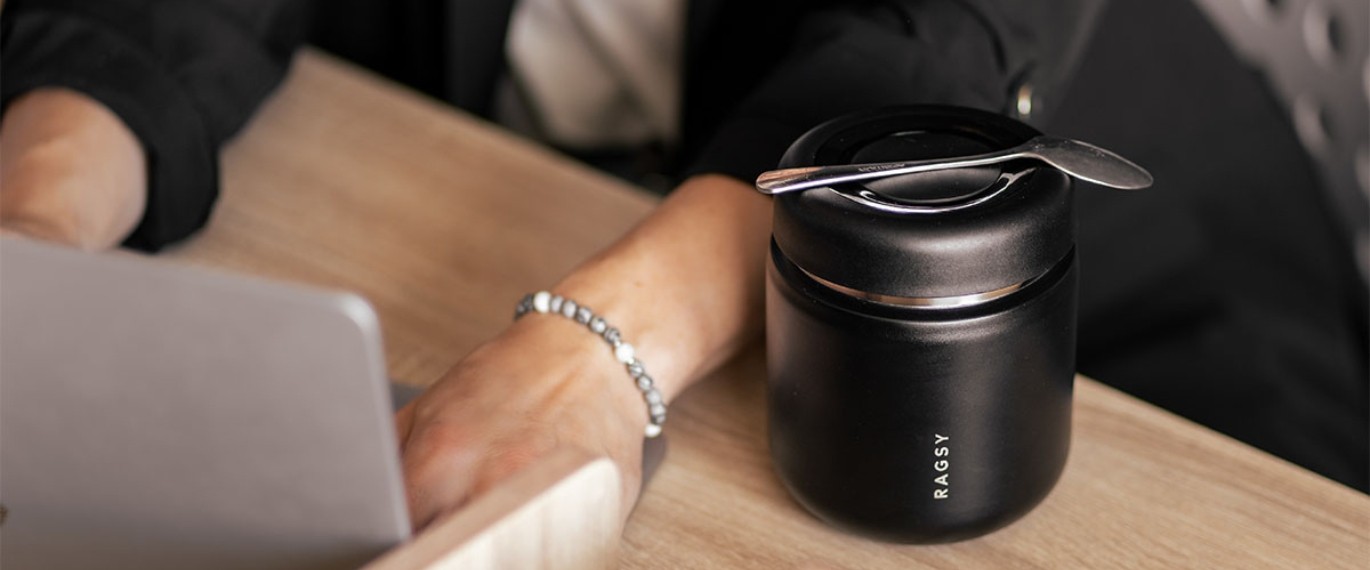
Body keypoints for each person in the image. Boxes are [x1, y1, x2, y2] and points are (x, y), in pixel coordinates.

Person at [2, 0, 1364, 534]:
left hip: (1112, 288)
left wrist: (588, 356)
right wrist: (37, 238)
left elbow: (925, 49)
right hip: (556, 191)